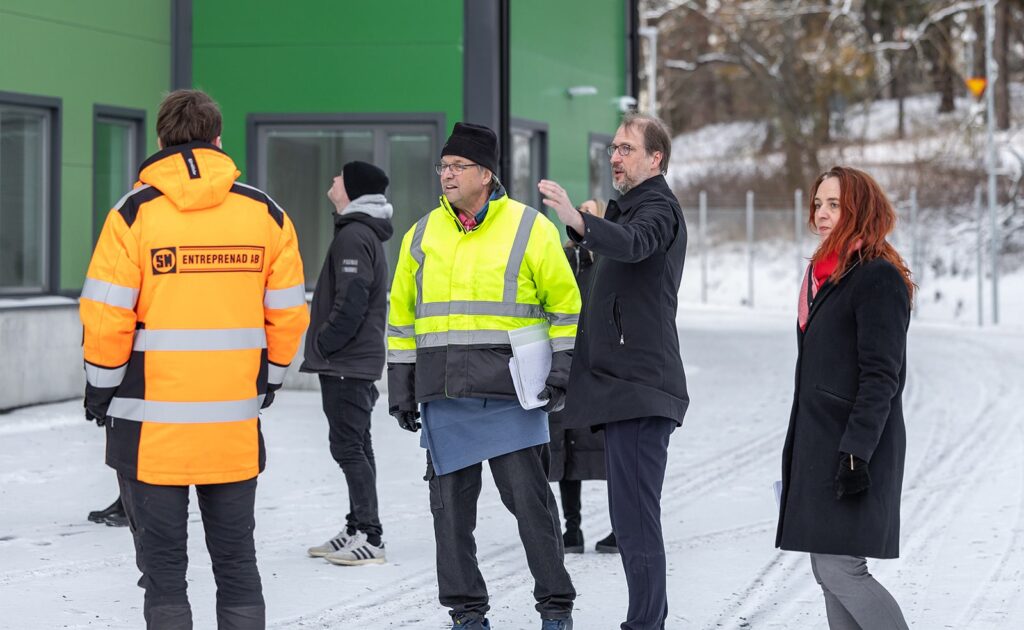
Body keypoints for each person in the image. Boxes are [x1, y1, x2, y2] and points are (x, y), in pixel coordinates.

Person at [80, 89, 309, 630]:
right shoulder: (266, 215)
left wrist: (100, 389)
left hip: (149, 430)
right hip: (231, 426)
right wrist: (269, 378)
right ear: (218, 140)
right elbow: (288, 314)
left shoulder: (133, 214)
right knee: (236, 563)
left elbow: (107, 316)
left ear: (160, 140)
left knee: (163, 572)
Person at [387, 122, 579, 630]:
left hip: (513, 391)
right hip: (445, 392)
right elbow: (402, 318)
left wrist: (561, 369)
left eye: (457, 167)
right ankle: (466, 611)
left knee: (532, 507)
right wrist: (402, 388)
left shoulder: (529, 227)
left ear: (486, 174)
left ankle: (555, 607)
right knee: (449, 514)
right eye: (443, 167)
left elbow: (565, 306)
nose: (446, 175)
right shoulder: (422, 233)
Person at [538, 112, 688, 630]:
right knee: (629, 518)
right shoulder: (628, 211)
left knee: (636, 519)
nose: (615, 157)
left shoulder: (658, 209)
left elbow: (634, 244)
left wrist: (581, 223)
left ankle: (645, 624)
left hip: (644, 387)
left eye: (627, 149)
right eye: (614, 149)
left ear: (655, 158)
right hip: (622, 387)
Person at [776, 166, 913, 630]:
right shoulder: (824, 274)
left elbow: (882, 376)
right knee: (827, 570)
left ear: (861, 209)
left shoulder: (877, 277)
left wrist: (856, 451)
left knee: (842, 568)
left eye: (835, 204)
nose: (822, 213)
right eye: (818, 203)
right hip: (821, 443)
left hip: (854, 447)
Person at [301, 160, 393, 566]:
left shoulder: (354, 235)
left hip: (347, 359)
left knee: (348, 447)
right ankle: (358, 526)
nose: (332, 180)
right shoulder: (357, 231)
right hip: (352, 358)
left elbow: (352, 299)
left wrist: (326, 342)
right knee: (357, 444)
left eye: (338, 176)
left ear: (352, 188)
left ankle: (370, 536)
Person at [548, 198, 616, 555]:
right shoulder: (560, 258)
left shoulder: (609, 260)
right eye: (579, 211)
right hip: (565, 365)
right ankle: (571, 529)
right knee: (566, 447)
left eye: (591, 212)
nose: (583, 217)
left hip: (599, 369)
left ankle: (620, 528)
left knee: (610, 450)